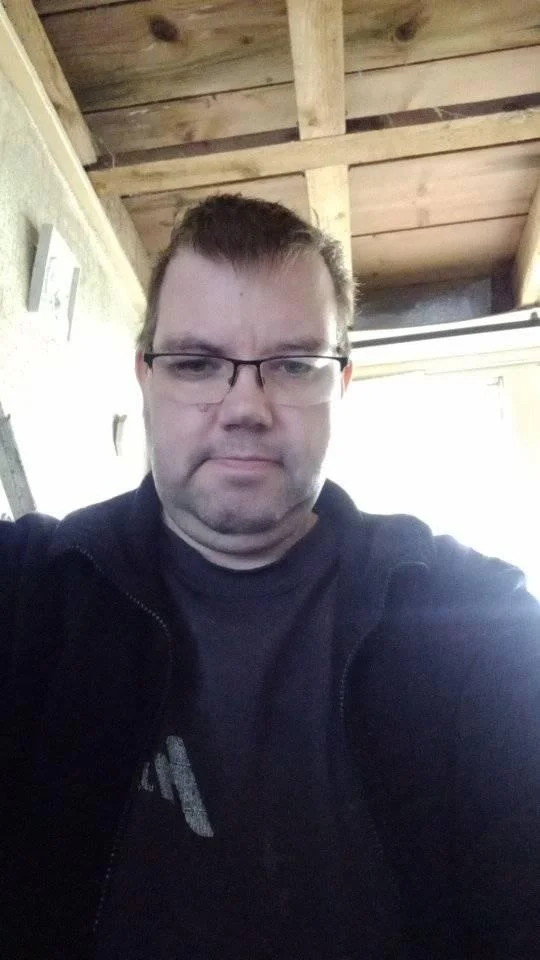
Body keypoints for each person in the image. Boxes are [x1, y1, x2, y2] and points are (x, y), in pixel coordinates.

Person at [1, 194, 539, 960]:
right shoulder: (28, 601)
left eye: (292, 365)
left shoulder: (478, 623)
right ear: (145, 381)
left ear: (341, 385)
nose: (245, 406)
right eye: (195, 363)